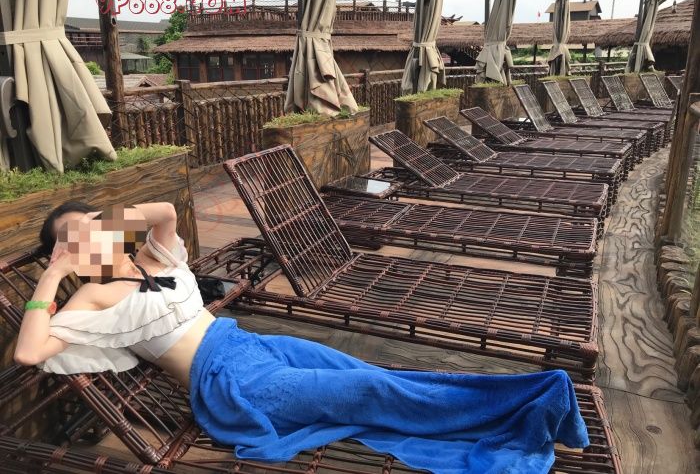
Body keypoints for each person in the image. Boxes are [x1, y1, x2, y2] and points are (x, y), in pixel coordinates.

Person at [14, 201, 590, 474]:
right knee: (369, 391)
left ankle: (519, 408)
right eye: (75, 239)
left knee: (375, 376)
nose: (92, 239)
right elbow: (29, 351)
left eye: (96, 226)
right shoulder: (92, 298)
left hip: (251, 345)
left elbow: (163, 211)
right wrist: (54, 272)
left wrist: (106, 225)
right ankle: (527, 403)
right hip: (230, 383)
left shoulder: (152, 258)